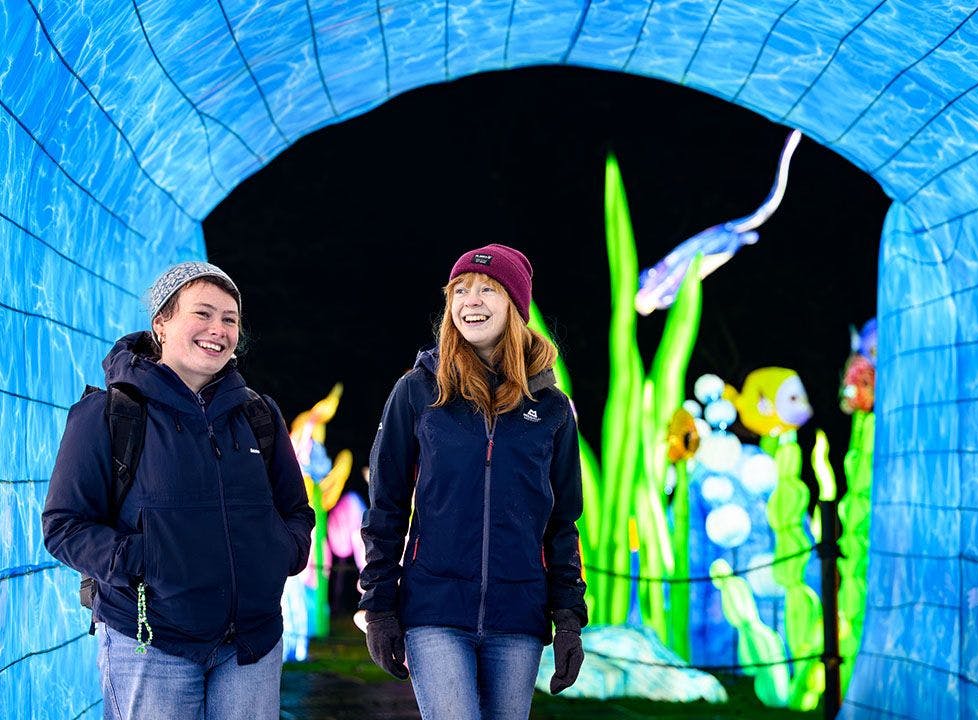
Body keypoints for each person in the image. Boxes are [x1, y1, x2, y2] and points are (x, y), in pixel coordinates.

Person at [42, 261, 315, 720]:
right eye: (203, 313)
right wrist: (144, 561)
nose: (218, 329)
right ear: (162, 324)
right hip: (150, 643)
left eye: (230, 319)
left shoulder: (259, 416)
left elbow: (295, 509)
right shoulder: (108, 413)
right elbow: (64, 525)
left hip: (251, 644)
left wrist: (279, 552)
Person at [358, 243, 588, 719]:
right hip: (434, 609)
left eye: (487, 289)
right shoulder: (419, 391)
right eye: (459, 291)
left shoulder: (551, 409)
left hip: (518, 614)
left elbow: (562, 523)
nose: (470, 301)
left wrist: (568, 617)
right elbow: (387, 505)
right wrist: (379, 607)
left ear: (516, 306)